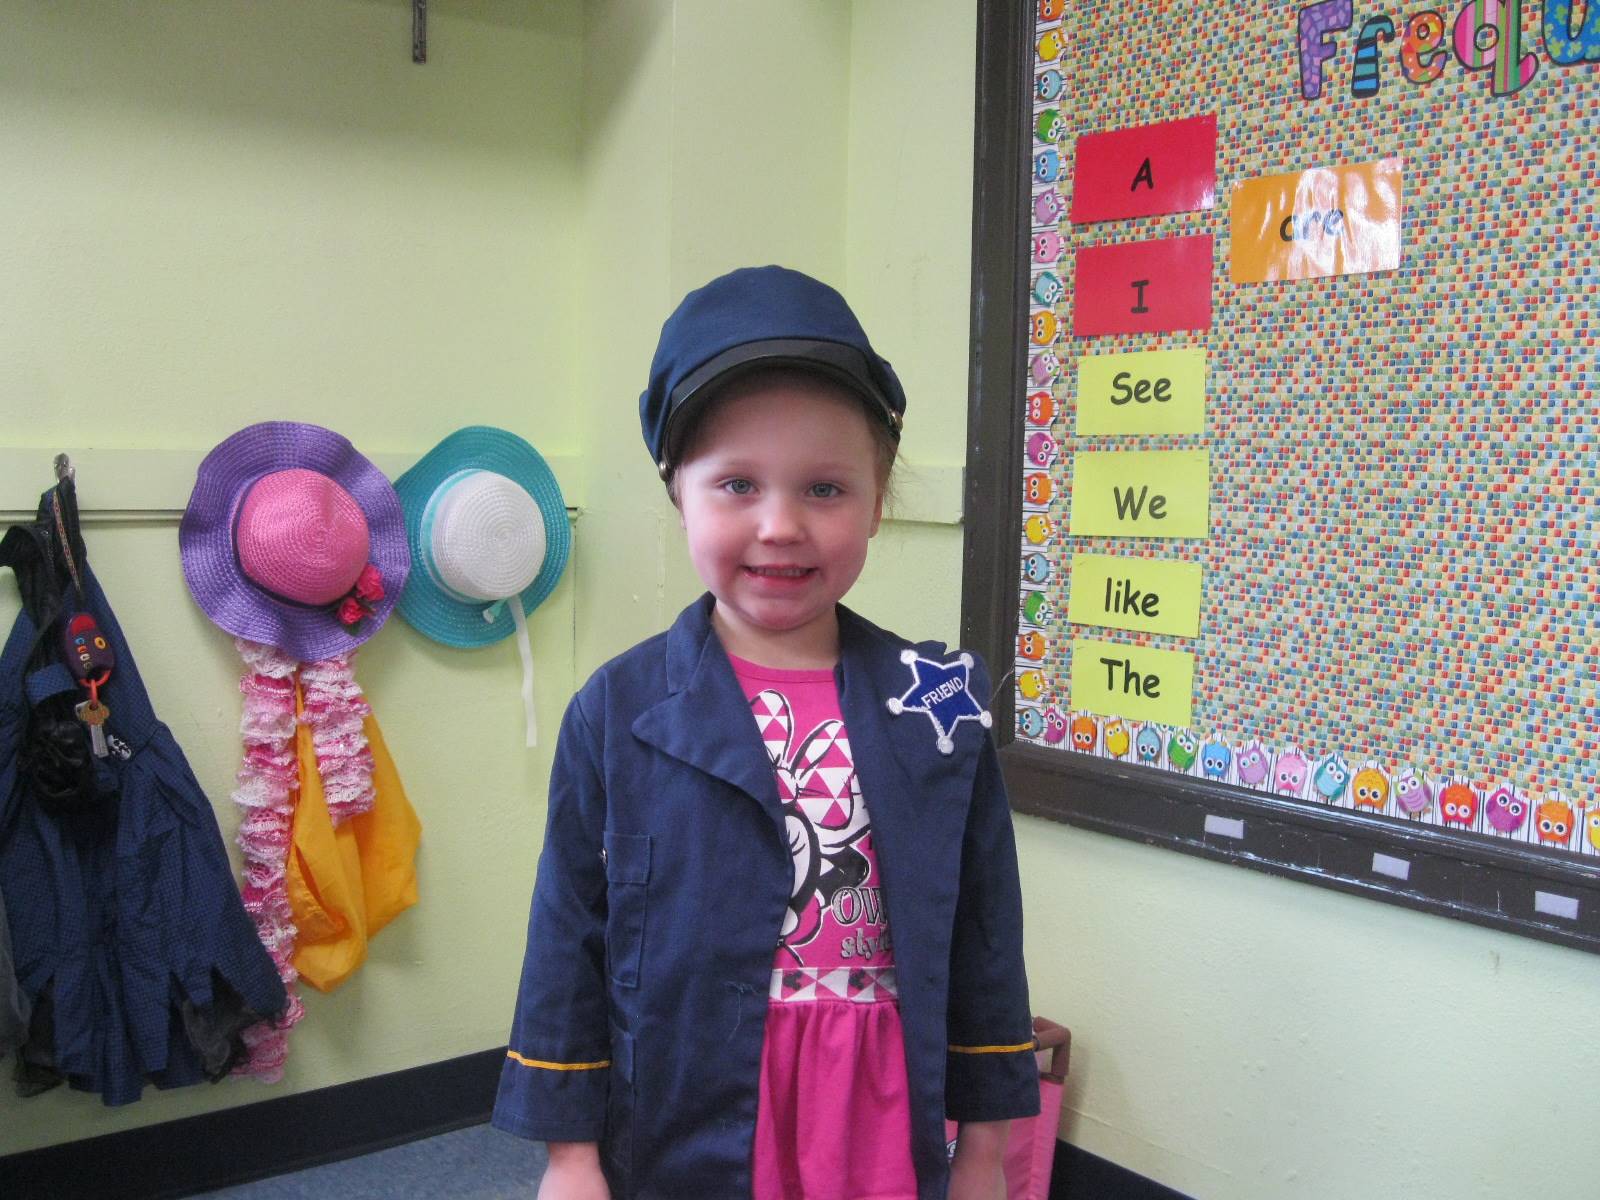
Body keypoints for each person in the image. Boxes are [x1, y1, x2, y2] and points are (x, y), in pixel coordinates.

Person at [491, 266, 1037, 1199]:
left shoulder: (934, 705)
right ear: (678, 493)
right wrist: (570, 1158)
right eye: (737, 484)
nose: (780, 525)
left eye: (825, 488)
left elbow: (986, 937)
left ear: (878, 497)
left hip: (872, 1106)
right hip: (687, 1101)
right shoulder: (619, 711)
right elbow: (565, 942)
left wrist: (985, 1148)